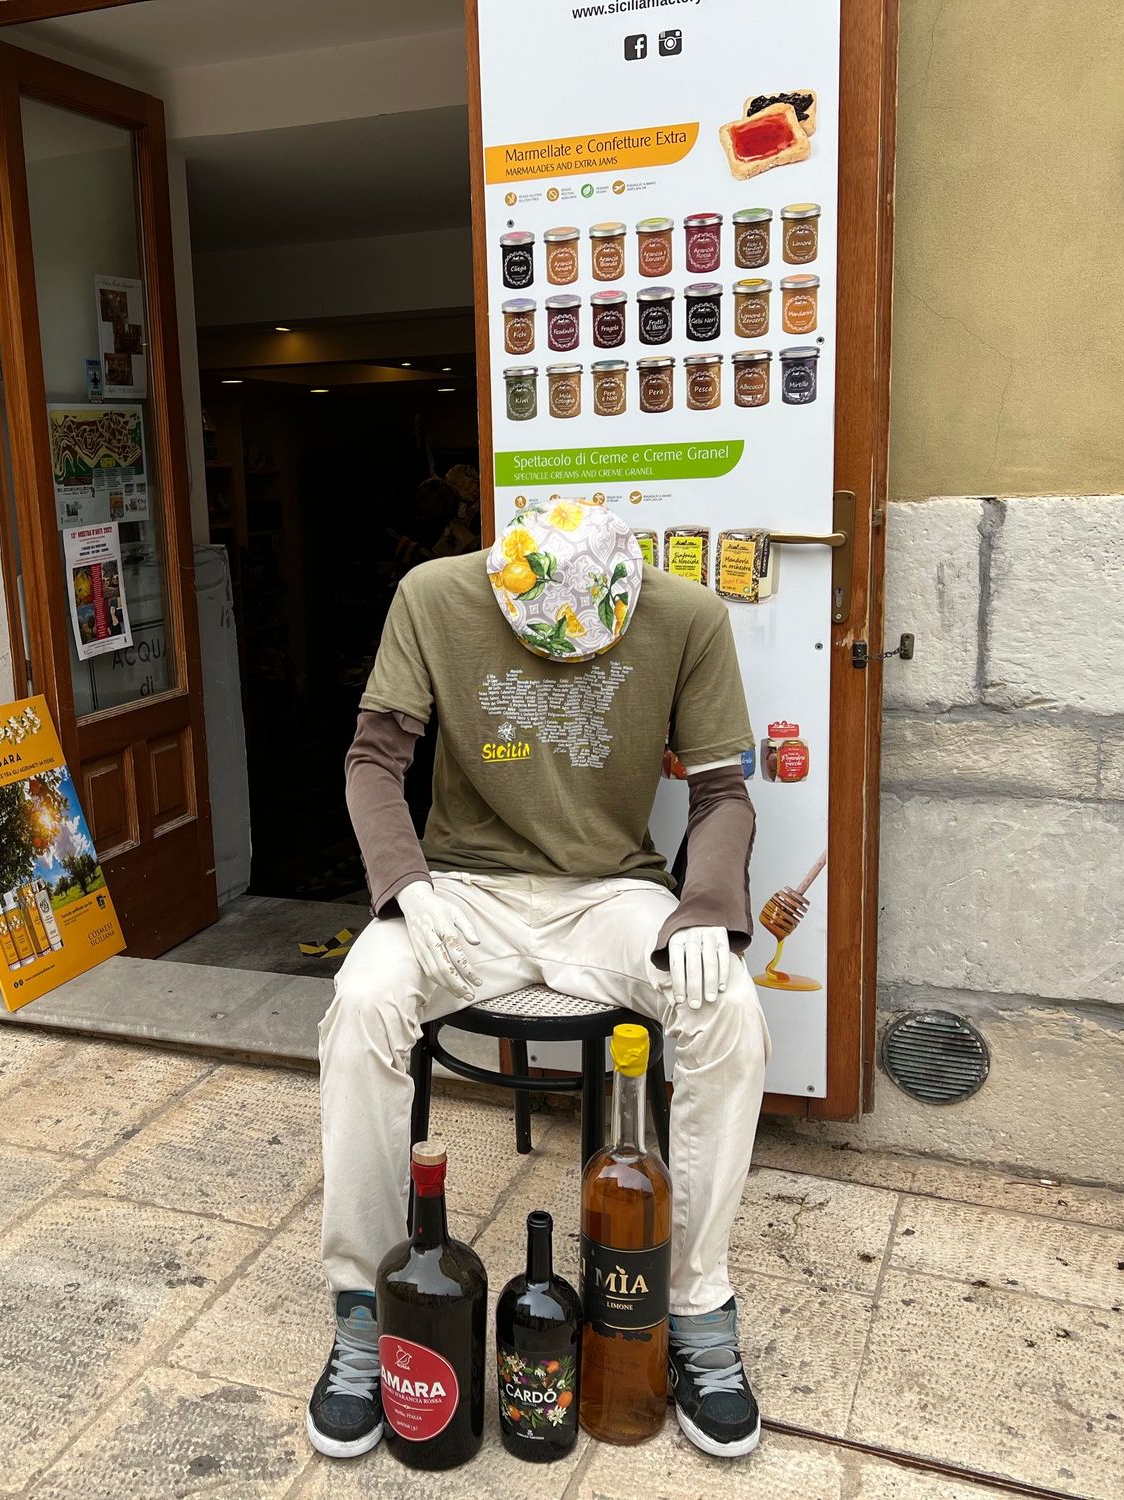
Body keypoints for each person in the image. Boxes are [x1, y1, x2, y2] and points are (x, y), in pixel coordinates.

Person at [307, 500, 769, 1461]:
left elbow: (721, 791)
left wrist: (708, 905)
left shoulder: (688, 617)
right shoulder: (434, 596)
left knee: (727, 1010)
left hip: (610, 892)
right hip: (462, 889)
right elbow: (374, 760)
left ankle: (695, 1307)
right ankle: (363, 1309)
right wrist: (404, 882)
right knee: (362, 1005)